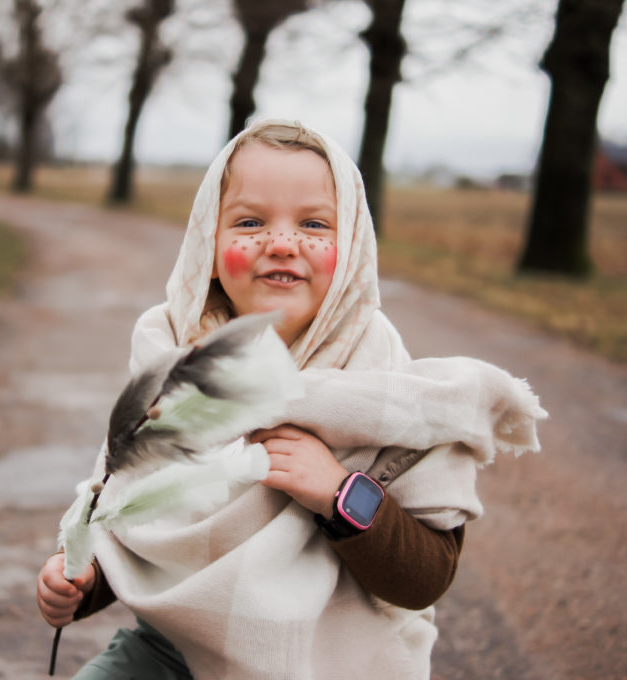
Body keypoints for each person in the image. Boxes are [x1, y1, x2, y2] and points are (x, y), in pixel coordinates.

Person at [36, 119, 546, 679]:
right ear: (209, 244)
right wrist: (84, 580)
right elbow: (130, 514)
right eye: (250, 222)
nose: (281, 243)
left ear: (351, 247)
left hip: (325, 659)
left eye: (314, 224)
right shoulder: (173, 361)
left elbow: (426, 578)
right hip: (170, 652)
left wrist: (340, 493)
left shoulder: (391, 390)